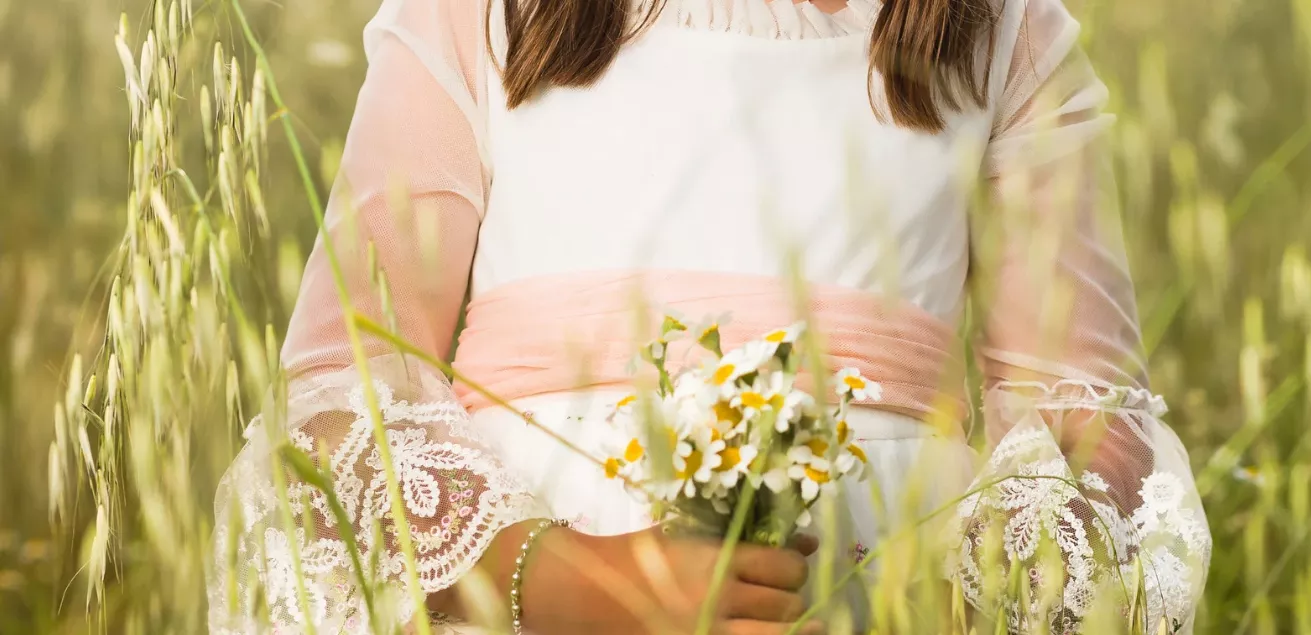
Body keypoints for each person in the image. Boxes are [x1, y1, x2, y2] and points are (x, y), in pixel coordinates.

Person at [206, 0, 1210, 632]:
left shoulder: (1001, 31)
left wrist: (938, 603)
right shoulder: (473, 15)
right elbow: (344, 389)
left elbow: (1088, 415)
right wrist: (555, 581)